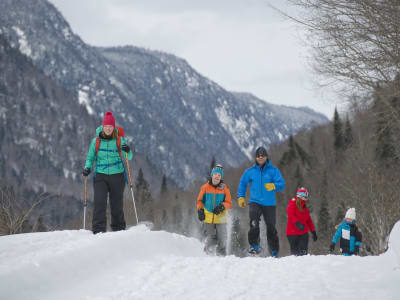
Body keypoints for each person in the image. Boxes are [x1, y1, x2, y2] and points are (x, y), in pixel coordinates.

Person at [82, 111, 133, 234]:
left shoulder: (120, 140)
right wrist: (87, 167)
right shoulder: (96, 141)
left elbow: (129, 157)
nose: (108, 129)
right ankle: (98, 230)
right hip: (100, 175)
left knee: (116, 205)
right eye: (106, 127)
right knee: (100, 202)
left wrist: (128, 150)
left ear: (114, 127)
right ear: (102, 127)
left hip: (117, 175)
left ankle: (119, 230)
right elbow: (90, 157)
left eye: (110, 127)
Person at [237, 146, 285, 256]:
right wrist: (241, 197)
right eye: (258, 156)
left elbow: (282, 184)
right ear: (255, 158)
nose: (260, 157)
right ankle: (254, 246)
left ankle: (274, 251)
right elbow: (243, 184)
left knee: (271, 227)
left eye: (262, 156)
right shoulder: (250, 171)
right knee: (254, 222)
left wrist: (273, 185)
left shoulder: (274, 171)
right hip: (255, 202)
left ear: (266, 157)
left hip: (269, 204)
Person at [197, 165, 232, 255]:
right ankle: (207, 252)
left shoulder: (225, 188)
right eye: (215, 174)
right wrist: (200, 210)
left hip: (221, 218)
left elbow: (229, 203)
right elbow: (199, 201)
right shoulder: (205, 187)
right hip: (208, 218)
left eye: (219, 175)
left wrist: (222, 206)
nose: (217, 176)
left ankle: (221, 255)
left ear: (221, 178)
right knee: (211, 237)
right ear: (212, 175)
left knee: (222, 238)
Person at [286, 187, 317, 256]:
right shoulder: (292, 203)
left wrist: (313, 231)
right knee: (295, 254)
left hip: (303, 233)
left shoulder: (305, 208)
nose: (303, 197)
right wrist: (297, 223)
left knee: (303, 253)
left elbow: (309, 220)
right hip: (292, 233)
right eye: (301, 195)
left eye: (304, 196)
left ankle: (304, 265)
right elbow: (290, 214)